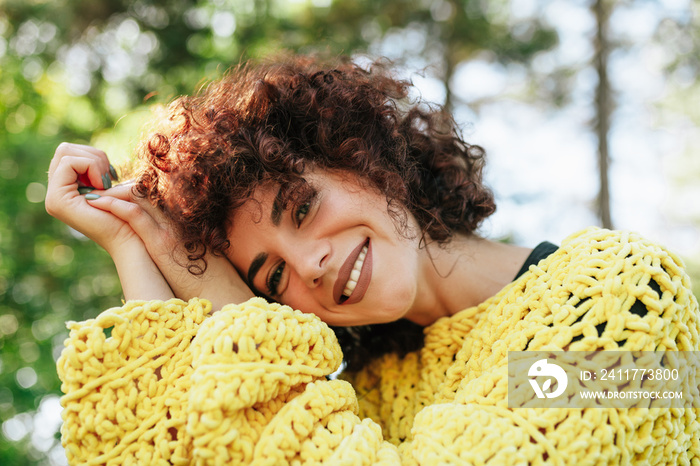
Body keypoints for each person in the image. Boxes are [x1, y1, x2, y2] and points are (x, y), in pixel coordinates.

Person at [46, 54, 699, 465]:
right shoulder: (364, 397)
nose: (312, 266)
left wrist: (210, 288)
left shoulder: (629, 296)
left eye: (302, 209)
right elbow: (167, 449)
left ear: (362, 156)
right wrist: (139, 243)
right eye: (273, 279)